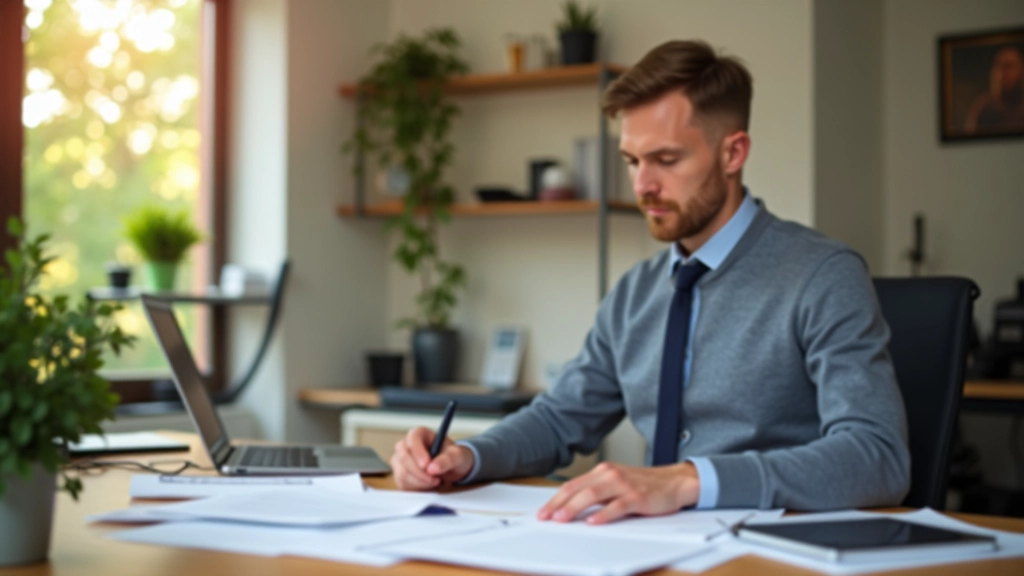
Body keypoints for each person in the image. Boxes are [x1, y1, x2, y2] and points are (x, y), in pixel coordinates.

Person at [390, 39, 910, 525]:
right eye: (633, 161)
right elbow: (558, 420)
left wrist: (688, 481)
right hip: (646, 548)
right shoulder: (636, 291)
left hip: (769, 550)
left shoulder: (822, 275)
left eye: (666, 159)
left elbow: (877, 457)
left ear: (733, 153)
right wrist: (468, 456)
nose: (643, 186)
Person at [965, 46, 1024, 134]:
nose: (1002, 73)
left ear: (1021, 70)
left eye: (1008, 66)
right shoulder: (983, 107)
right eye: (998, 66)